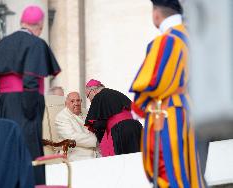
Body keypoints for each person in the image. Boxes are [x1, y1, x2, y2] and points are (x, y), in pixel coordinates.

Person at [0, 5, 61, 185]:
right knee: (27, 159)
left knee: (2, 158)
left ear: (22, 22)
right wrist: (29, 111)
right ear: (40, 27)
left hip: (0, 109)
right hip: (25, 109)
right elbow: (30, 80)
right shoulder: (36, 43)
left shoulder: (3, 43)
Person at [129, 0, 205, 187]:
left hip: (168, 112)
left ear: (156, 13)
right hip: (191, 111)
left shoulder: (167, 40)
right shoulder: (193, 37)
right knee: (189, 168)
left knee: (169, 170)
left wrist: (137, 106)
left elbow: (154, 80)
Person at [84, 79, 143, 157]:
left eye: (88, 96)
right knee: (138, 158)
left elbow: (98, 125)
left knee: (124, 161)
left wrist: (100, 138)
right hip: (137, 127)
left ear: (93, 91)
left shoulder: (98, 97)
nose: (90, 100)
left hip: (121, 130)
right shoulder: (116, 93)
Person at [55, 92, 98, 161]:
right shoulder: (61, 117)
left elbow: (96, 128)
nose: (76, 103)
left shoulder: (86, 112)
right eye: (72, 101)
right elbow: (72, 137)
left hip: (95, 150)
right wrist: (96, 140)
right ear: (66, 104)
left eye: (78, 100)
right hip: (75, 153)